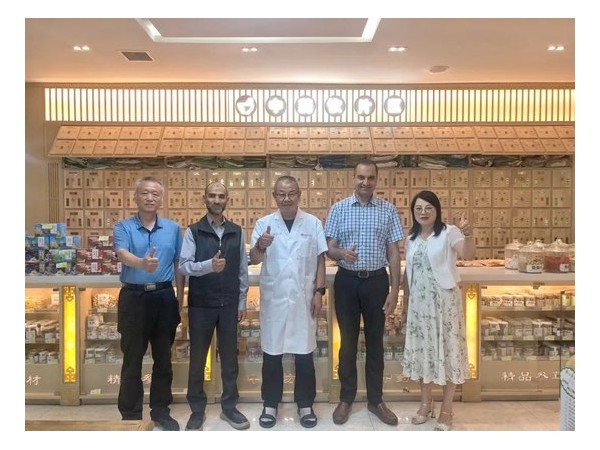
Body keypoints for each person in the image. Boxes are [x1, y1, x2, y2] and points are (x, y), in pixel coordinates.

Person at [324, 158, 404, 426]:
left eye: (370, 178)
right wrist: (340, 253)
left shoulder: (388, 210)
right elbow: (329, 247)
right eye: (361, 177)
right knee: (347, 343)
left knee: (375, 343)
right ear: (353, 178)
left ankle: (375, 400)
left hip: (376, 282)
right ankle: (346, 398)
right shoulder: (339, 208)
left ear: (376, 180)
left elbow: (393, 252)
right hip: (346, 282)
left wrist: (394, 289)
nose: (365, 182)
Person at [249, 175, 327, 429]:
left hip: (304, 298)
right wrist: (261, 245)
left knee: (304, 355)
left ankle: (305, 405)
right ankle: (270, 404)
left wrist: (319, 291)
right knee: (272, 355)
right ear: (274, 196)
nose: (286, 198)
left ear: (299, 195)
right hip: (275, 299)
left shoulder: (312, 223)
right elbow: (254, 258)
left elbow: (320, 260)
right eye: (281, 194)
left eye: (291, 193)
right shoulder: (264, 224)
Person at [114, 176, 185, 431]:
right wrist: (141, 263)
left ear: (161, 199)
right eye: (145, 193)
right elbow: (122, 253)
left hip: (164, 297)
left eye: (155, 194)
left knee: (163, 358)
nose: (150, 198)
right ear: (136, 197)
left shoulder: (173, 229)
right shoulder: (123, 227)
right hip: (134, 298)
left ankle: (161, 411)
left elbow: (179, 264)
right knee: (132, 359)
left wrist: (179, 298)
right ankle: (131, 415)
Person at [178, 182, 250, 431]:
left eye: (221, 196)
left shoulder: (236, 232)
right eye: (212, 195)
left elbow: (242, 270)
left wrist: (242, 301)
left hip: (229, 304)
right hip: (201, 304)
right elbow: (183, 266)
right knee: (198, 359)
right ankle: (197, 410)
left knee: (230, 359)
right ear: (204, 199)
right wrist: (209, 265)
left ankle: (229, 407)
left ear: (227, 200)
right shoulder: (194, 231)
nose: (217, 200)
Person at [401, 190, 475, 431]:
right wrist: (405, 303)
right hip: (419, 307)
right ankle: (426, 403)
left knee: (448, 351)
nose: (423, 212)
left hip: (445, 304)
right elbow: (409, 272)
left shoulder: (448, 232)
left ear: (437, 210)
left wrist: (468, 234)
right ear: (413, 212)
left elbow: (467, 254)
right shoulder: (411, 238)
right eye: (418, 208)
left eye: (428, 208)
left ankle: (447, 409)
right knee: (424, 353)